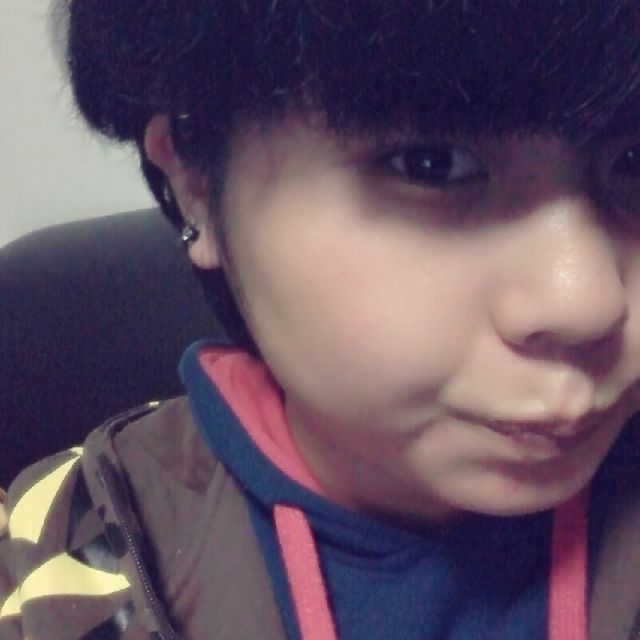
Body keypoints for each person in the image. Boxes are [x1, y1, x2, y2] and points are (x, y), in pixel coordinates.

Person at [2, 1, 640, 638]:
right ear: (196, 180)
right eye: (432, 164)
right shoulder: (55, 564)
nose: (588, 301)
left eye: (634, 162)